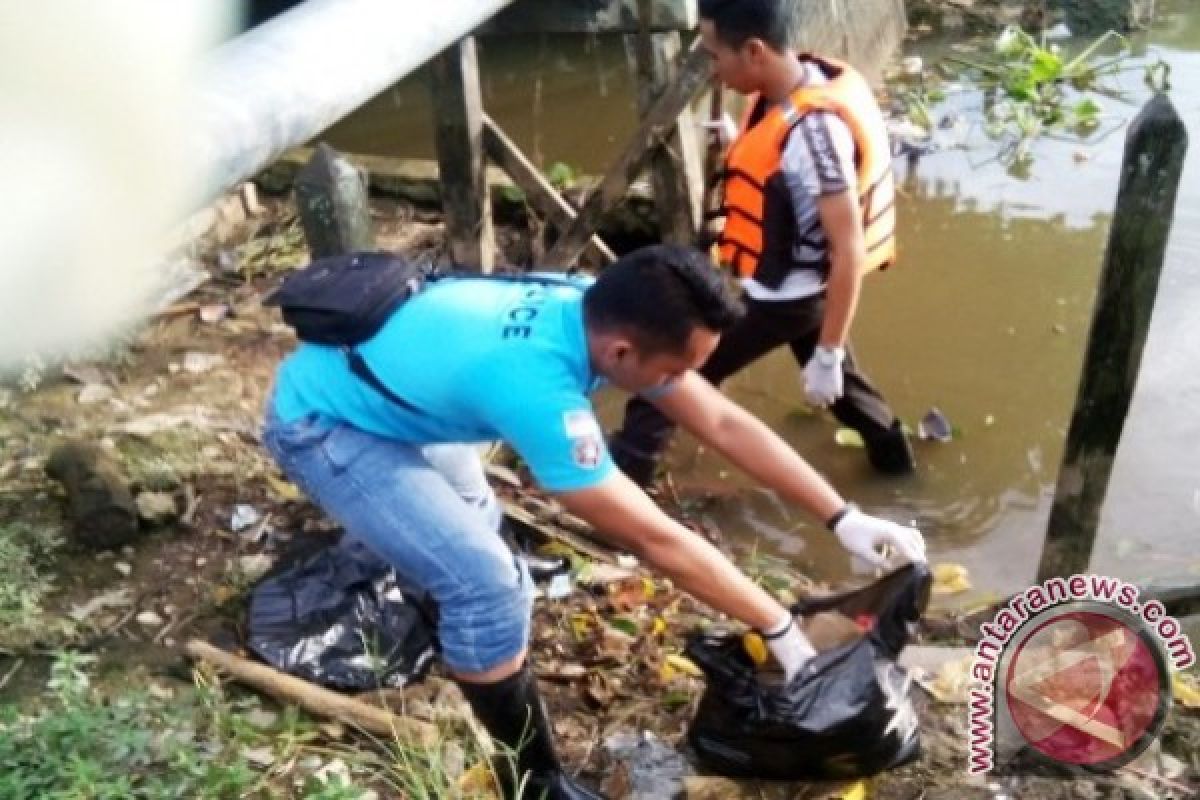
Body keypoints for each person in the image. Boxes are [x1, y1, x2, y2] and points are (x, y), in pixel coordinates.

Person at [262, 245, 926, 800]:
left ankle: (455, 633)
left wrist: (841, 515)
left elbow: (722, 421)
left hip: (403, 402)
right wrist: (776, 623)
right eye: (674, 371)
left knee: (481, 541)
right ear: (620, 352)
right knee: (490, 587)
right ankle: (535, 778)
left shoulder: (591, 305)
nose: (682, 384)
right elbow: (650, 536)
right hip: (326, 424)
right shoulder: (535, 385)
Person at [609, 0, 915, 488]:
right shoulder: (792, 84)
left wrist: (832, 350)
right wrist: (736, 140)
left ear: (754, 51)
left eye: (714, 54)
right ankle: (896, 465)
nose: (712, 68)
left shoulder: (815, 134)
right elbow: (781, 176)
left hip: (785, 297)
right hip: (794, 289)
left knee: (666, 376)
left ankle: (627, 476)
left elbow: (848, 247)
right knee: (844, 395)